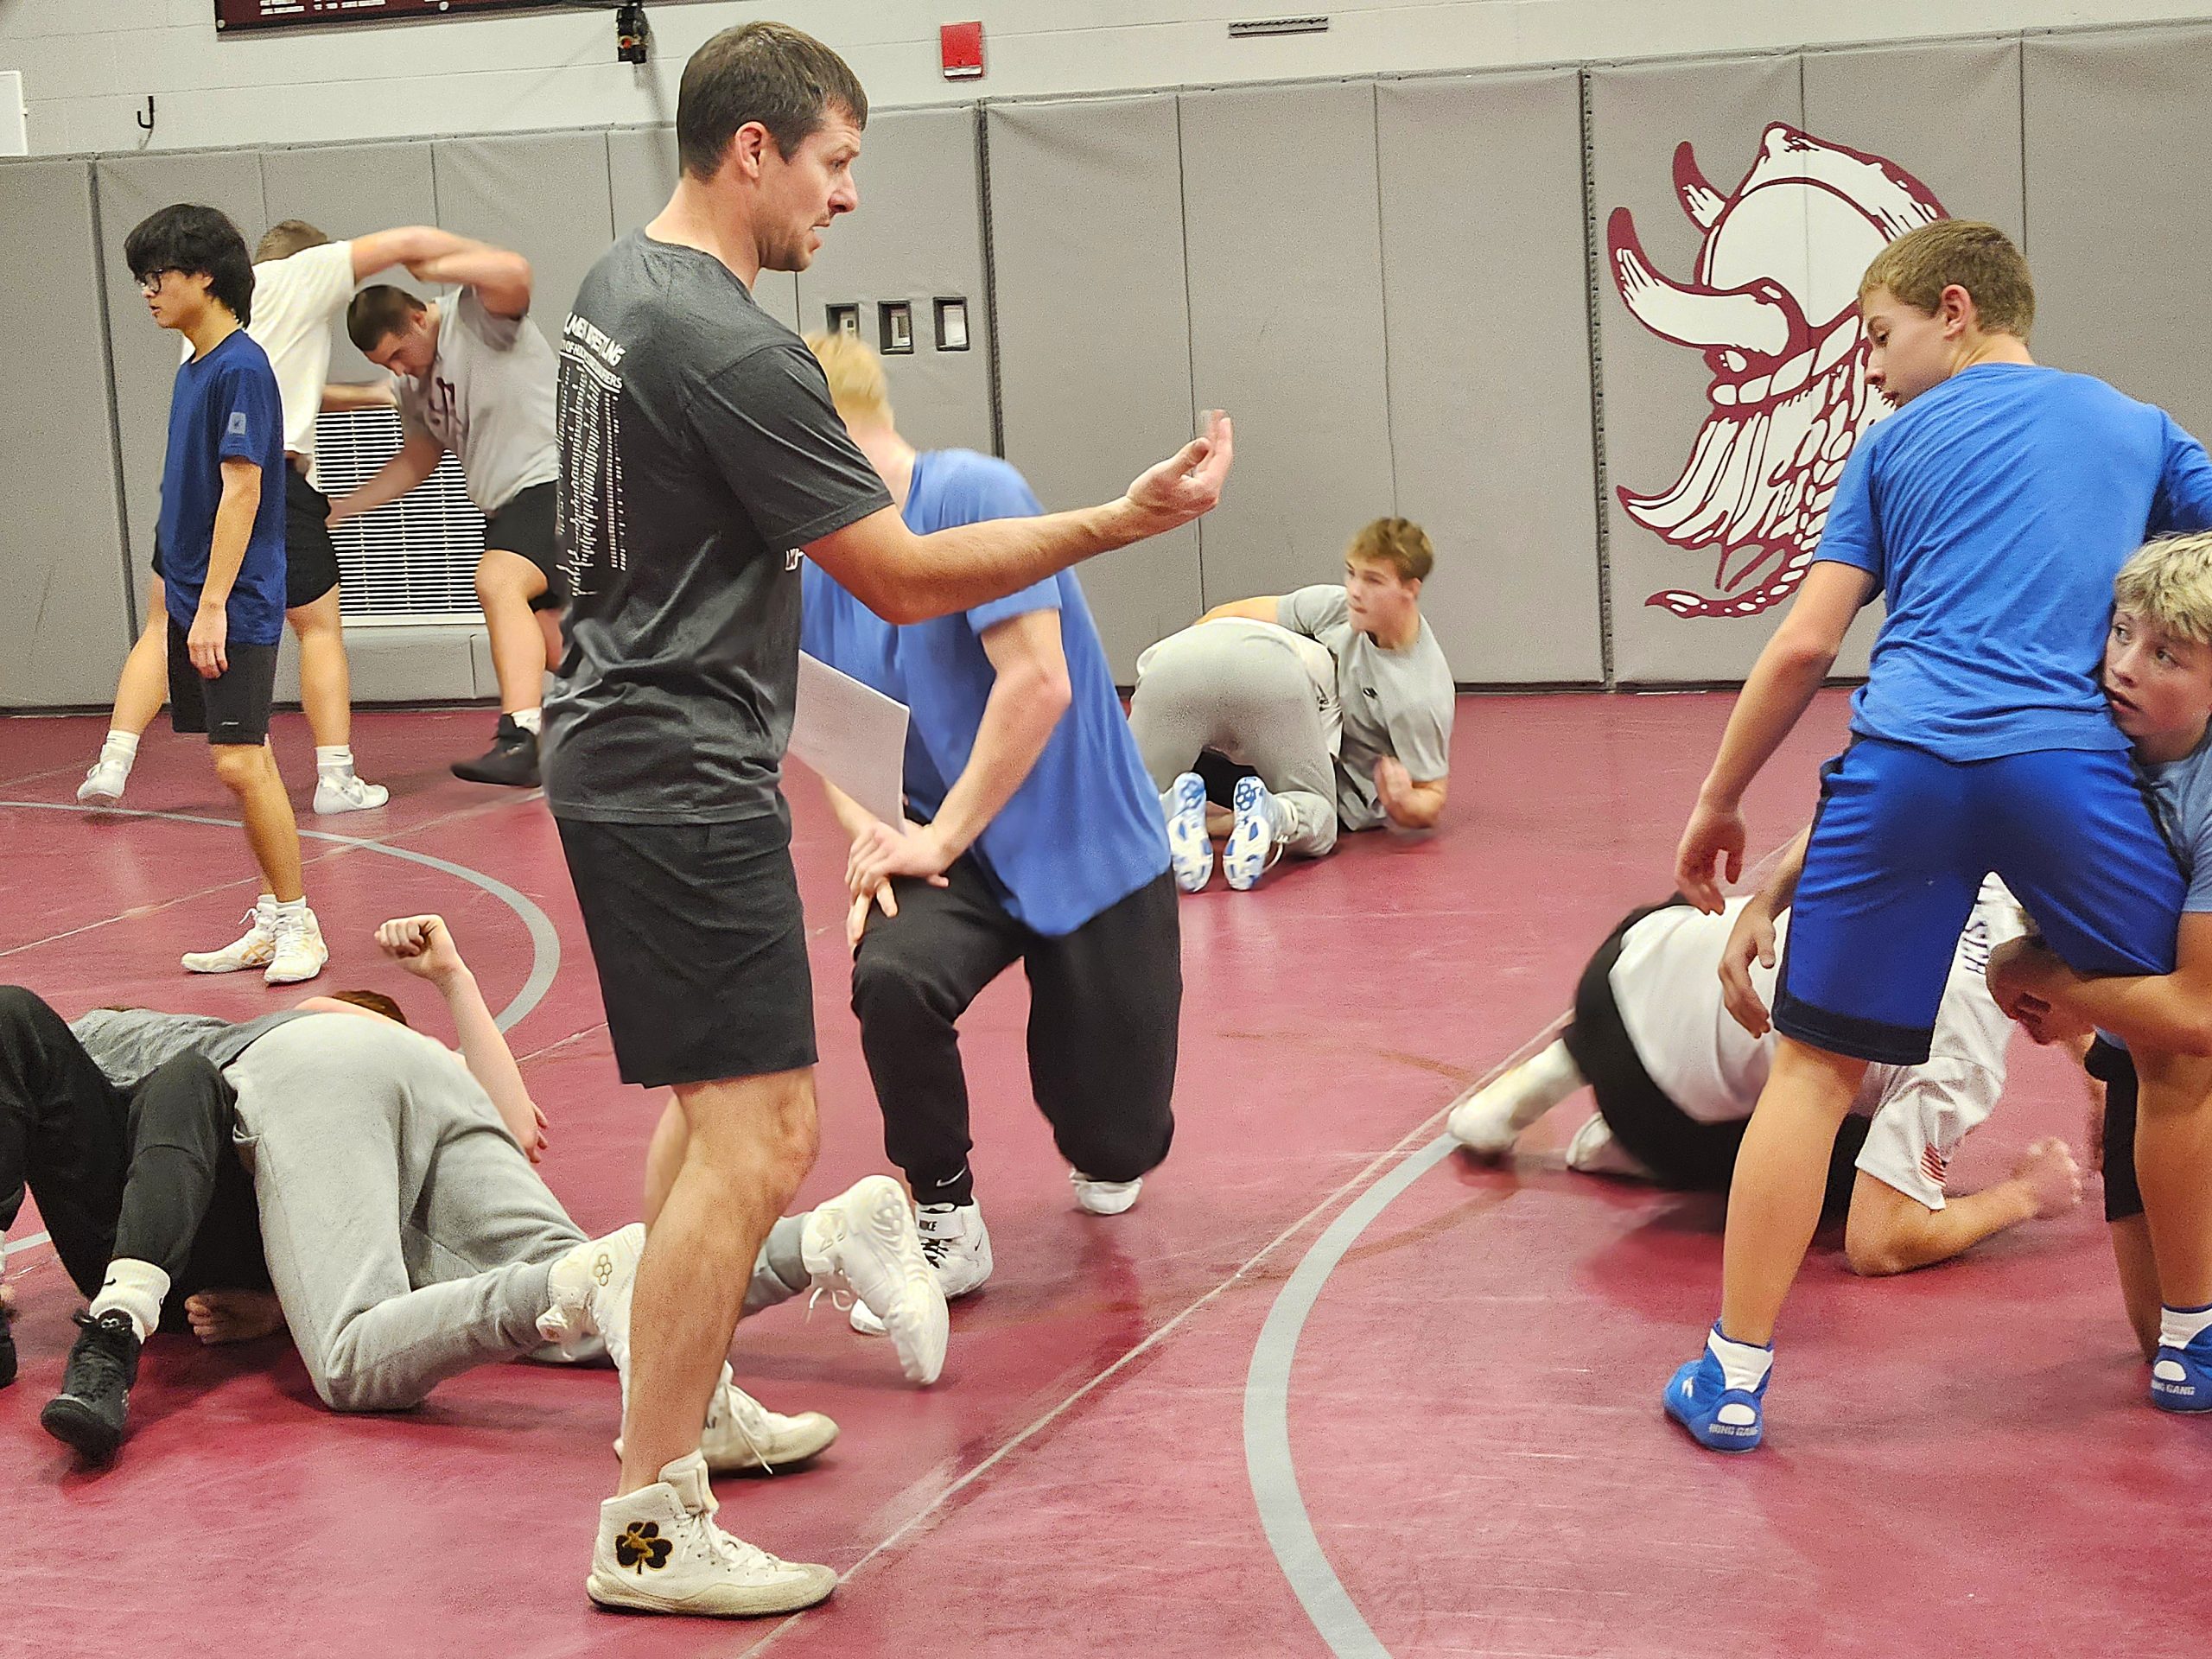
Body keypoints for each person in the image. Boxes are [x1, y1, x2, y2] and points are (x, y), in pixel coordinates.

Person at [546, 20, 1230, 1617]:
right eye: (839, 165)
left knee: (706, 1114)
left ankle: (688, 1399)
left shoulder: (609, 293)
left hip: (619, 741)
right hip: (677, 764)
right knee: (770, 1129)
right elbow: (903, 575)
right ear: (756, 150)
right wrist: (1124, 519)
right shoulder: (730, 342)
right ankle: (649, 1523)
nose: (848, 201)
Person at [1664, 220, 2212, 1452]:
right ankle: (2191, 1342)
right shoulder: (2138, 428)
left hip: (1905, 762)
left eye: (1879, 336)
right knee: (2173, 1048)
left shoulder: (1893, 446)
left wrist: (1718, 796)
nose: (1870, 368)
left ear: (1953, 309)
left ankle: (1734, 1376)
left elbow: (1807, 645)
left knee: (1813, 1072)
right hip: (2069, 767)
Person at [55, 914, 944, 1465]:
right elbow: (515, 1121)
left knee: (353, 1360)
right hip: (427, 1084)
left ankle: (573, 1285)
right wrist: (455, 983)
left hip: (309, 1076)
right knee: (604, 1311)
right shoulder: (403, 1059)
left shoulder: (152, 1044)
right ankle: (826, 1237)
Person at [798, 333, 1179, 1317]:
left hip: (1078, 838)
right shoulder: (804, 563)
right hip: (941, 843)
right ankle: (944, 1215)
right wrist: (879, 837)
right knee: (890, 976)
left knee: (1114, 1148)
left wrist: (937, 836)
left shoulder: (972, 493)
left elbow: (1037, 682)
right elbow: (830, 731)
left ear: (827, 431)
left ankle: (1106, 1135)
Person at [1450, 859, 2084, 1273]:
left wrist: (2095, 1073)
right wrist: (2023, 1197)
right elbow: (1878, 1242)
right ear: (2034, 1001)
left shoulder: (1996, 871)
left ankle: (1559, 1065)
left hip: (1625, 962)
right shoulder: (1963, 1057)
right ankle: (1627, 1149)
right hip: (1652, 1105)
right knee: (1843, 1156)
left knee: (1766, 971)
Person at [78, 219, 461, 817]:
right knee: (318, 628)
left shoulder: (208, 332)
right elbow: (403, 245)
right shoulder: (303, 276)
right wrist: (475, 283)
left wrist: (370, 394)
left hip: (193, 490)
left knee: (159, 624)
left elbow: (290, 386)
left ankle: (113, 760)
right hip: (265, 481)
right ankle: (336, 773)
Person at [1986, 531, 2212, 1392]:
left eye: (2166, 655)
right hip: (2137, 1039)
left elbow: (2195, 1017)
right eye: (2122, 633)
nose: (2125, 664)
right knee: (2150, 1332)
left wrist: (2044, 976)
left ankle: (2197, 1330)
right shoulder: (2079, 730)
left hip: (2187, 1038)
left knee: (2182, 1061)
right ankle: (2187, 1329)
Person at [122, 203, 327, 986]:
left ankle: (301, 923)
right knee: (244, 761)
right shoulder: (196, 363)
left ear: (204, 276)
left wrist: (210, 605)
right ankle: (276, 918)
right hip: (194, 595)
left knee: (241, 762)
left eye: (159, 276)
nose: (148, 291)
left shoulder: (241, 365)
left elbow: (243, 491)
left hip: (231, 600)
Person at [0, 985, 276, 1459]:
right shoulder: (120, 1035)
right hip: (113, 1221)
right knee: (9, 1011)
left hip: (201, 1263)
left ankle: (112, 1339)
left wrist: (280, 1310)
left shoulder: (337, 1053)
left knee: (186, 1077)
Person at [334, 234, 562, 788]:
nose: (399, 370)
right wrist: (339, 509)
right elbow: (413, 465)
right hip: (504, 508)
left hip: (557, 482)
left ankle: (522, 738)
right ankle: (658, 715)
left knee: (498, 580)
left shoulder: (475, 317)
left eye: (397, 353)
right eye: (383, 364)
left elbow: (514, 266)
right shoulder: (415, 389)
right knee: (555, 645)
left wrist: (431, 260)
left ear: (418, 317)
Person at [1127, 517, 1452, 891]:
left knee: (1129, 803)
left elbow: (1433, 795)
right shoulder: (1337, 608)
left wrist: (1406, 803)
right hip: (1282, 741)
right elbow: (1237, 614)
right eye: (1351, 574)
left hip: (1322, 777)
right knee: (1303, 810)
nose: (1355, 591)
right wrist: (1196, 660)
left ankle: (1171, 815)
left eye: (1373, 581)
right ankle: (1271, 815)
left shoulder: (1420, 694)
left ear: (1410, 589)